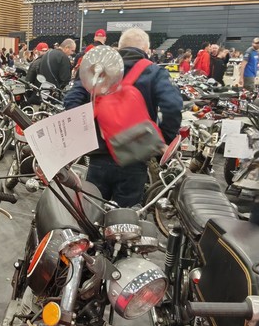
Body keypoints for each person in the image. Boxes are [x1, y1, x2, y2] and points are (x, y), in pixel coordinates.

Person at [63, 28, 182, 207]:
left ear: (119, 47)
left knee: (91, 212)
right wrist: (162, 139)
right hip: (135, 157)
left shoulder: (101, 68)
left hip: (99, 156)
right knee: (126, 216)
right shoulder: (155, 72)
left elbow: (71, 100)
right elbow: (172, 106)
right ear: (146, 49)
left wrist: (88, 133)